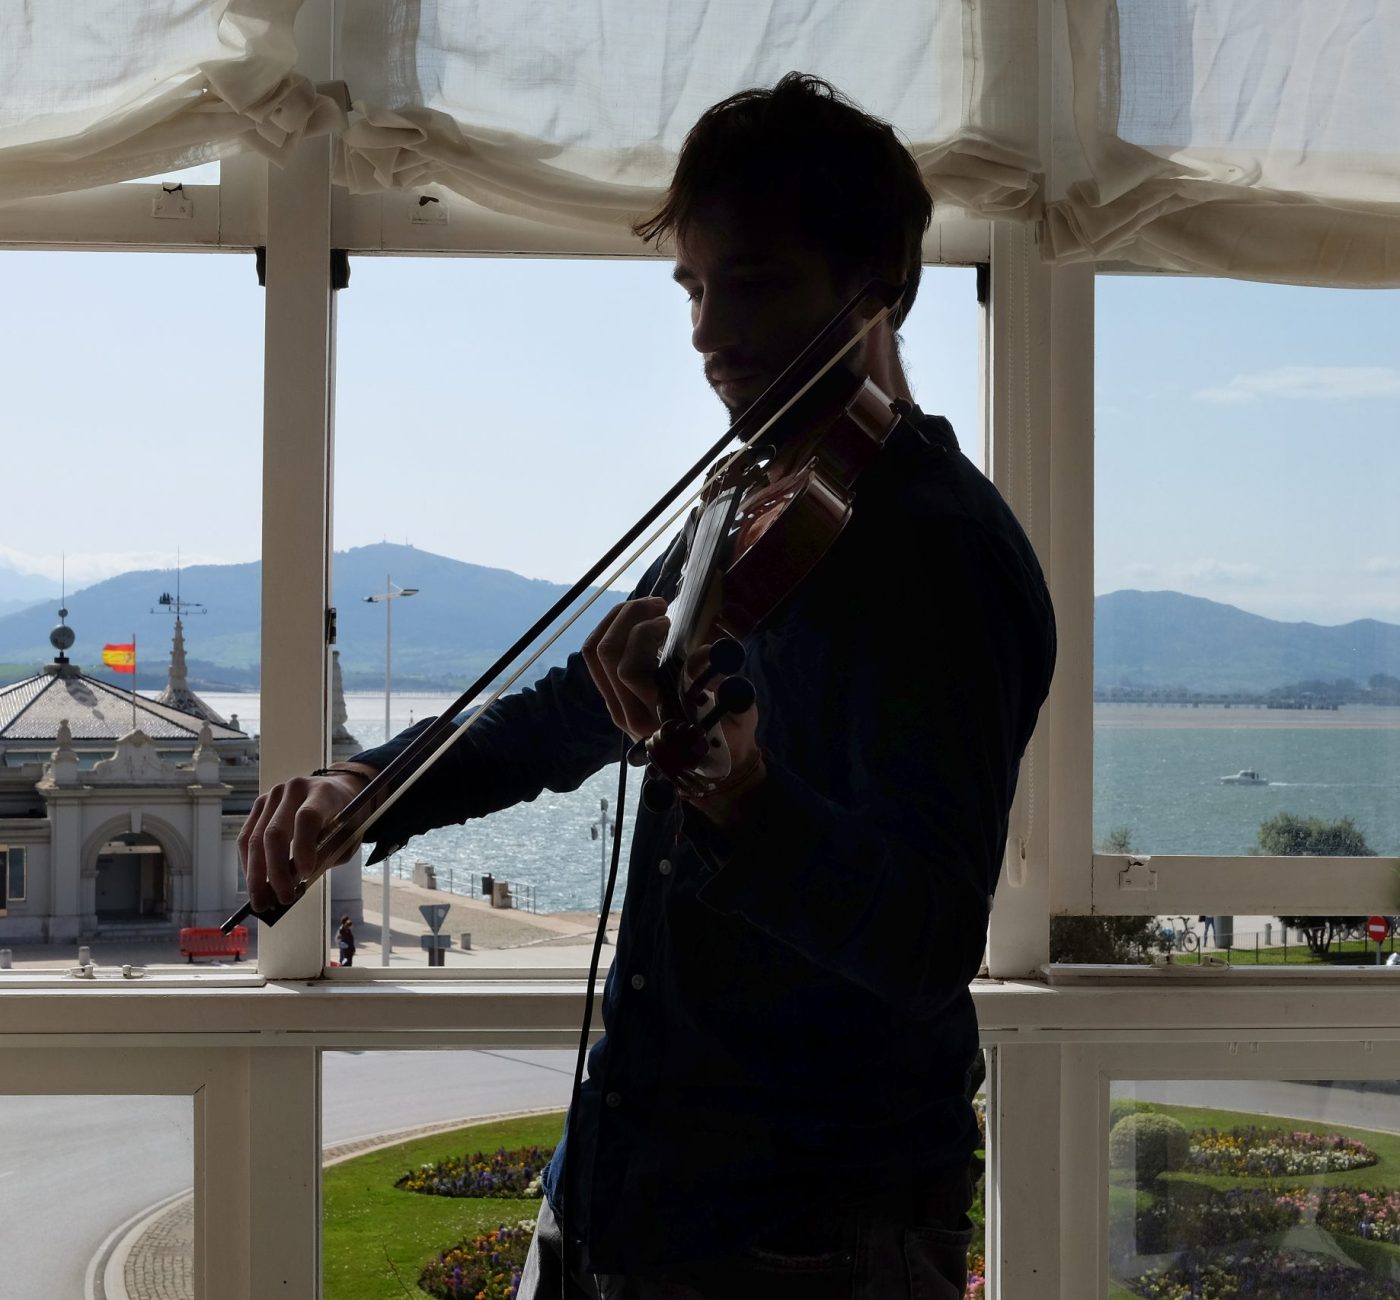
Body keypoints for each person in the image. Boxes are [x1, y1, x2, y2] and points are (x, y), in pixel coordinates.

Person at [239, 73, 1055, 1300]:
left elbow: (930, 940)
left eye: (756, 282)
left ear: (880, 279)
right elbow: (570, 711)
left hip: (810, 1234)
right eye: (691, 286)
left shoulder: (941, 552)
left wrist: (745, 803)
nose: (707, 334)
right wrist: (368, 784)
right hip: (630, 1183)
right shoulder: (748, 502)